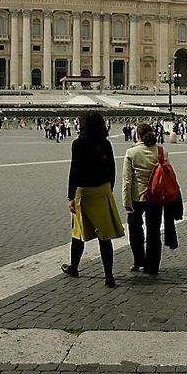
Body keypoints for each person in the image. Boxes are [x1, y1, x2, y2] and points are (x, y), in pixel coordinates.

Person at [62, 111, 123, 287]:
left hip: (84, 192)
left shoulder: (78, 144)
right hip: (102, 190)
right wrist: (109, 188)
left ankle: (74, 268)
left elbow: (75, 171)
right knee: (105, 236)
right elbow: (112, 168)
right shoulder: (105, 143)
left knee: (78, 234)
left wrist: (71, 196)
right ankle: (109, 276)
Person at [123, 123, 169, 275]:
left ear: (138, 135)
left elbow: (127, 180)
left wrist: (126, 202)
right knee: (154, 231)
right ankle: (152, 266)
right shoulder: (161, 151)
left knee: (135, 229)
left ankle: (138, 260)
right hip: (156, 196)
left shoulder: (131, 152)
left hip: (138, 196)